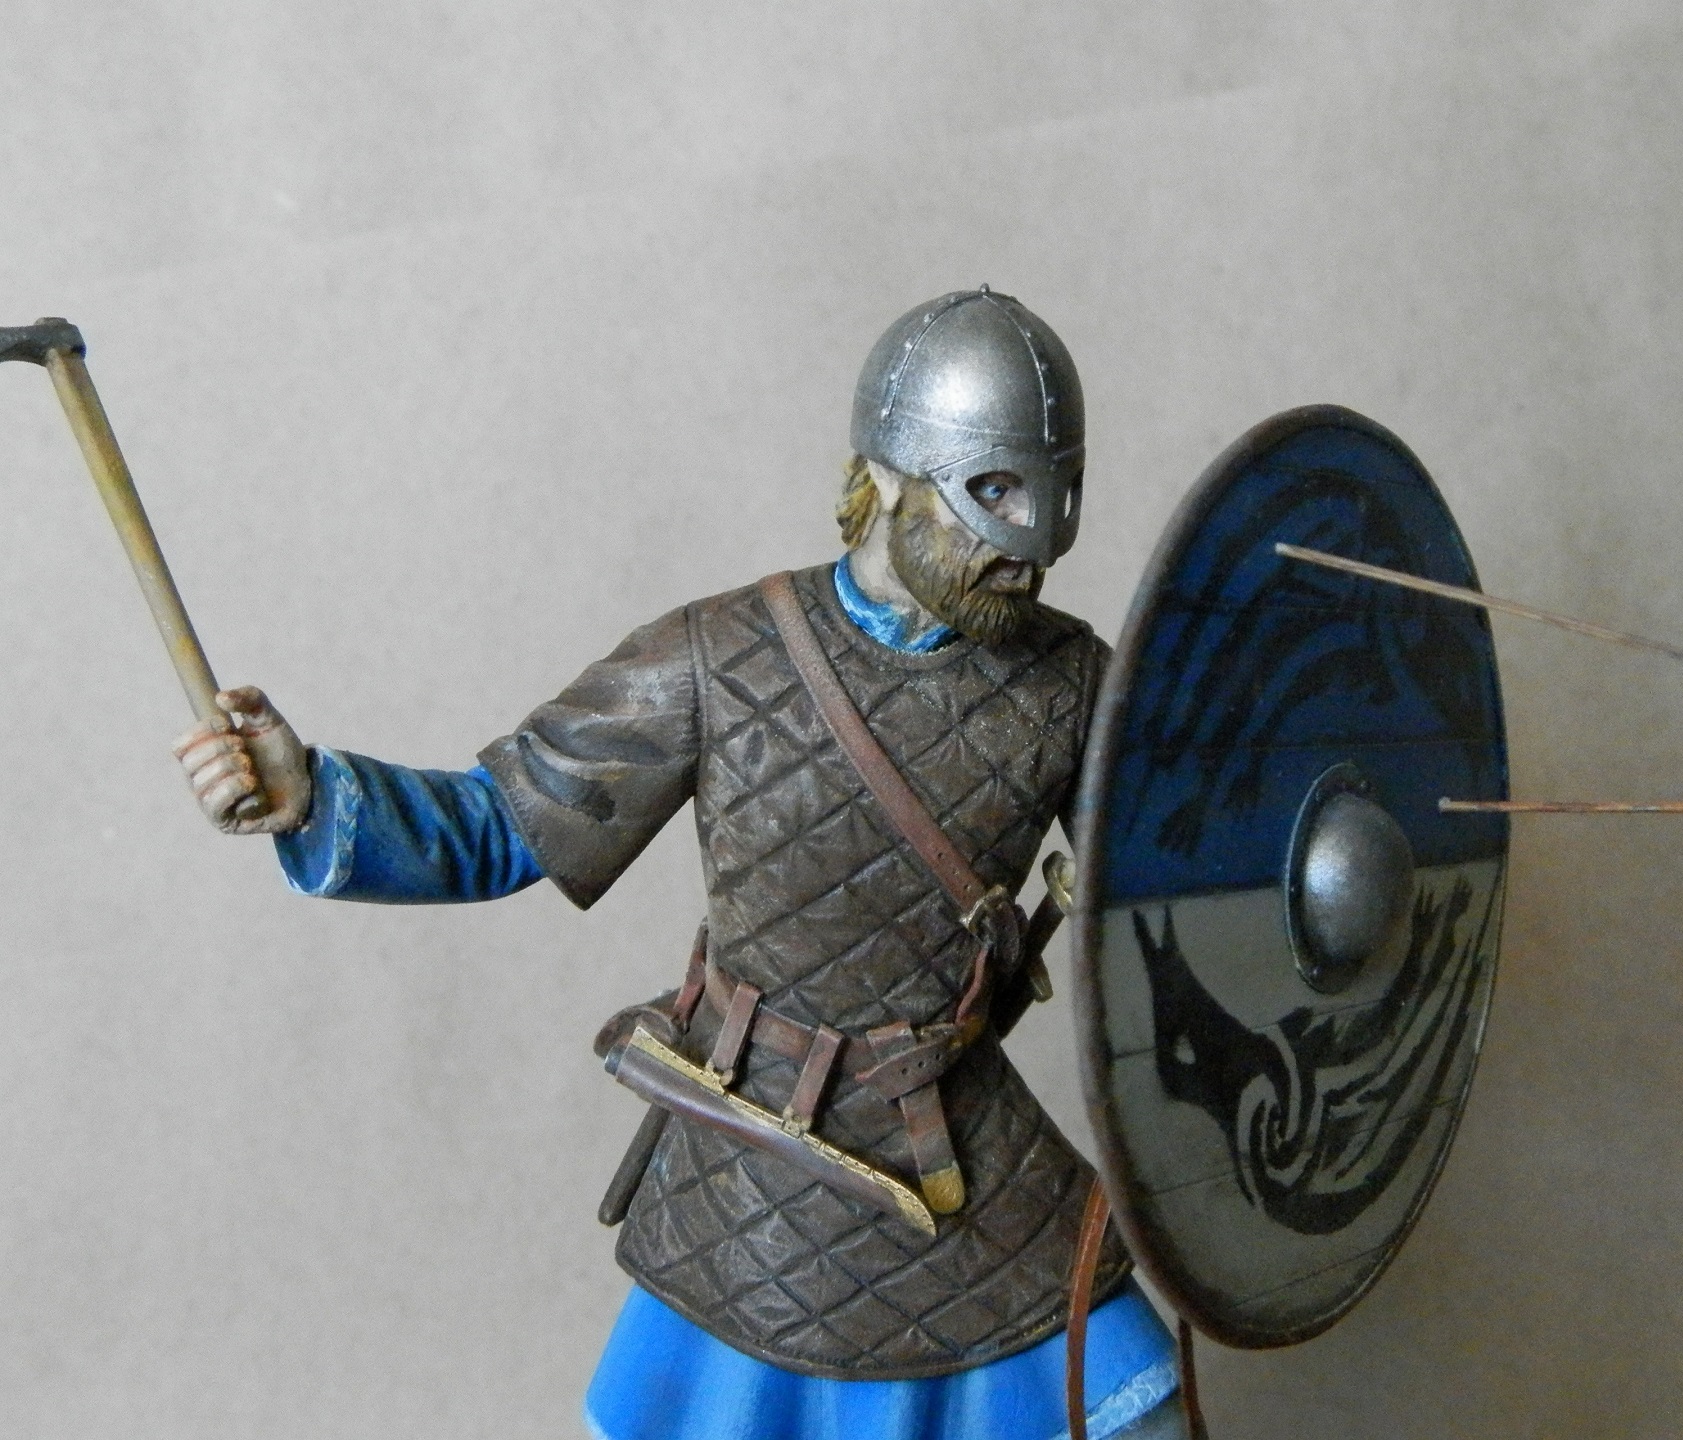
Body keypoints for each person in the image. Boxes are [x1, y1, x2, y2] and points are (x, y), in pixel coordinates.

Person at [172, 288, 1187, 1440]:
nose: (1031, 542)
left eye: (1055, 496)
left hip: (963, 1156)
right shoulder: (718, 660)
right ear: (888, 478)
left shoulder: (1074, 682)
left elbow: (1183, 879)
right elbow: (502, 824)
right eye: (992, 493)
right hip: (761, 1161)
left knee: (1134, 1417)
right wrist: (314, 795)